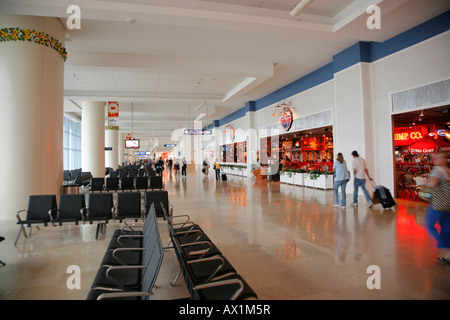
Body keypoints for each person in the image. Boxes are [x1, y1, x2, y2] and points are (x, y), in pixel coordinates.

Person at [424, 151, 450, 263]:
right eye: (436, 158)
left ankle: (442, 245)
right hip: (448, 204)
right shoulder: (448, 170)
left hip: (438, 204)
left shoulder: (437, 170)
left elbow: (432, 184)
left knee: (429, 225)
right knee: (446, 229)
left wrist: (426, 182)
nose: (437, 160)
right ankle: (446, 256)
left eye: (439, 158)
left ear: (445, 159)